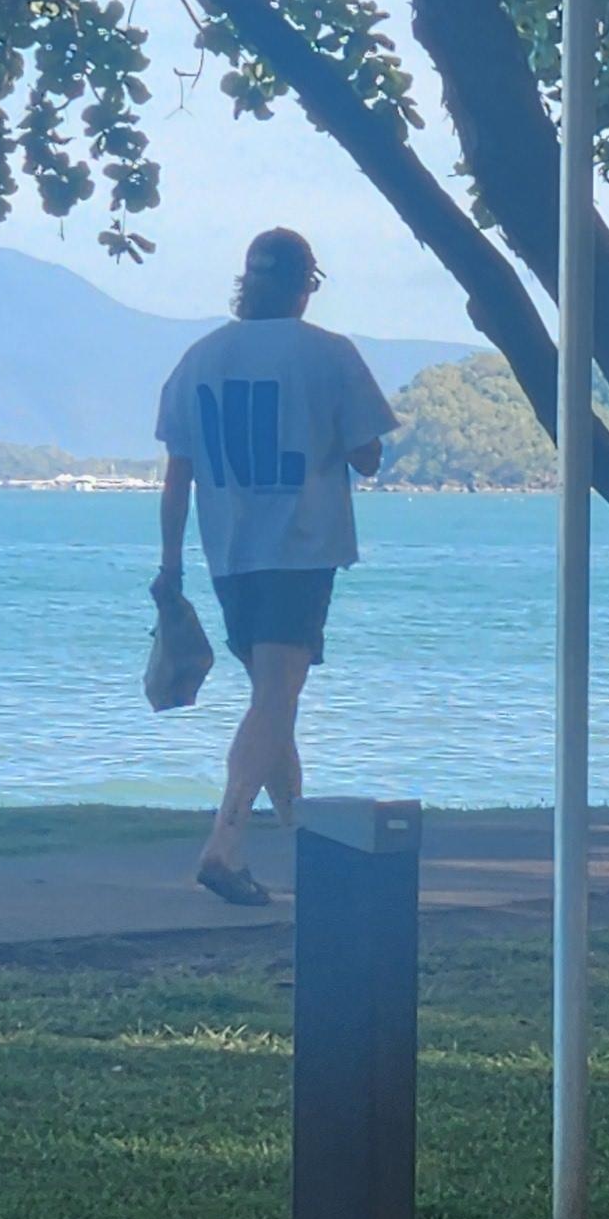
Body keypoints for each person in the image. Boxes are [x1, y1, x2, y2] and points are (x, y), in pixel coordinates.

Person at [154, 229, 396, 905]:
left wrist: (170, 566)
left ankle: (298, 833)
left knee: (271, 696)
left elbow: (178, 475)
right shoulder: (329, 354)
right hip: (301, 547)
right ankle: (225, 842)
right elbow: (368, 455)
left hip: (229, 554)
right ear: (304, 286)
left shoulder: (200, 358)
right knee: (275, 697)